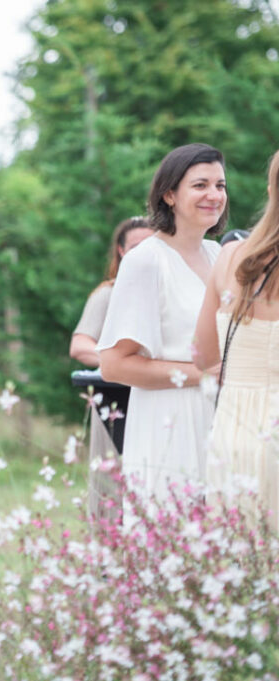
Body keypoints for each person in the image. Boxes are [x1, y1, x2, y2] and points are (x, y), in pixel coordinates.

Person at [99, 144, 227, 501]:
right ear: (169, 194)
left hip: (223, 421)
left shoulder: (218, 255)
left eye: (220, 185)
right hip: (169, 421)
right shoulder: (145, 261)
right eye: (200, 185)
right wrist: (203, 375)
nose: (214, 195)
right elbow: (113, 365)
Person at [194, 149, 279, 523]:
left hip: (231, 435)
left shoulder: (229, 256)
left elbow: (202, 354)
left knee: (239, 565)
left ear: (270, 189)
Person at [69, 217, 155, 367]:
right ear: (121, 251)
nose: (143, 253)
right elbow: (79, 346)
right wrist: (124, 364)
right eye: (135, 248)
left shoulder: (178, 289)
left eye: (149, 246)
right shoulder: (108, 293)